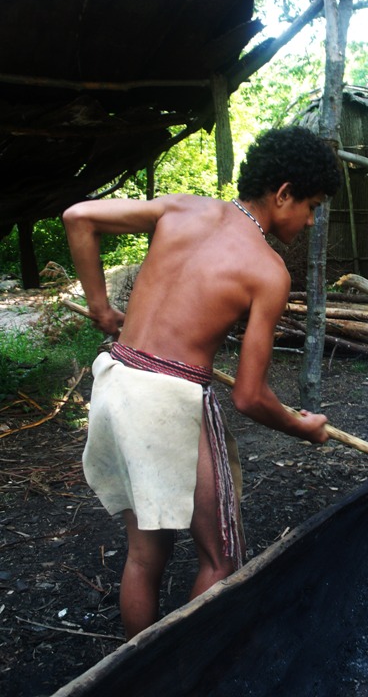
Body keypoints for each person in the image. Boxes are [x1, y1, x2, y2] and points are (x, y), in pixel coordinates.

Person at [62, 126, 342, 640]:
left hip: (116, 378)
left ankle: (133, 676)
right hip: (169, 398)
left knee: (146, 553)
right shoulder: (267, 271)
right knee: (222, 557)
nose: (308, 221)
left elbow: (78, 217)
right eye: (312, 206)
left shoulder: (183, 208)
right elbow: (250, 396)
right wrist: (302, 429)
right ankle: (182, 673)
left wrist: (101, 308)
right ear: (283, 193)